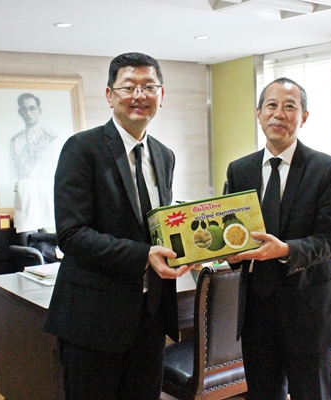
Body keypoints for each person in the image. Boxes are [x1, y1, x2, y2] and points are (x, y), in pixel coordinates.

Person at [44, 52, 194, 400]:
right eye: (129, 87)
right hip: (92, 319)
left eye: (149, 87)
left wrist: (187, 247)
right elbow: (72, 234)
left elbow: (156, 225)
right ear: (110, 95)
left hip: (150, 316)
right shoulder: (82, 149)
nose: (139, 95)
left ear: (161, 95)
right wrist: (144, 255)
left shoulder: (164, 155)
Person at [225, 77, 331, 400]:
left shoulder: (329, 170)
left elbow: (330, 240)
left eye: (289, 107)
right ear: (259, 113)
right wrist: (229, 253)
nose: (279, 114)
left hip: (308, 308)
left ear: (303, 117)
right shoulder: (239, 170)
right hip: (256, 311)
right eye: (271, 105)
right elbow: (231, 231)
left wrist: (285, 250)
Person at [10, 93, 60, 182]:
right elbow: (13, 173)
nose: (28, 113)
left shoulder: (52, 139)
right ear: (19, 112)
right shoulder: (15, 141)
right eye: (24, 109)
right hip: (24, 189)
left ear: (39, 111)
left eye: (32, 108)